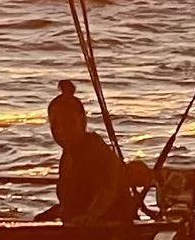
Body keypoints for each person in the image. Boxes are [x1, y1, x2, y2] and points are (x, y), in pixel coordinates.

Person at [43, 79, 137, 225]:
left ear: (82, 121)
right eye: (56, 125)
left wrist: (91, 216)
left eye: (67, 124)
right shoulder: (68, 155)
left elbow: (106, 191)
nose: (61, 131)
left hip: (108, 230)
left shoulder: (94, 149)